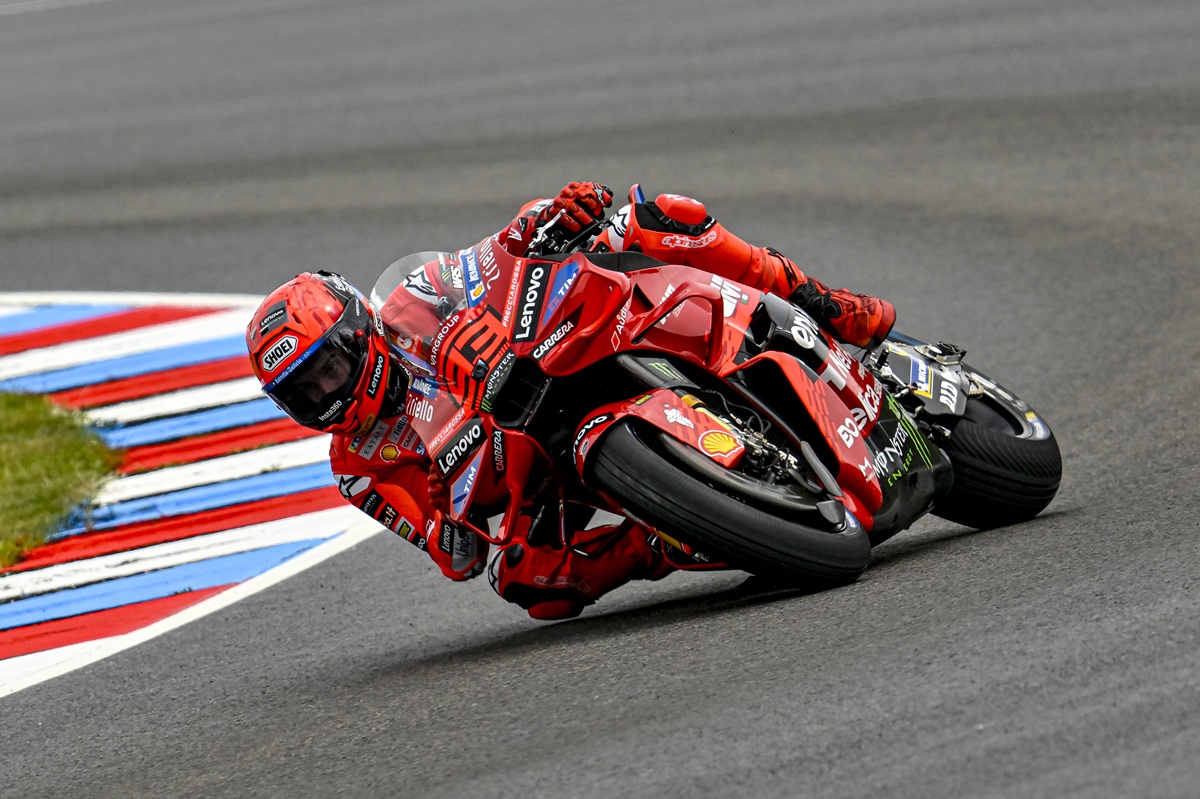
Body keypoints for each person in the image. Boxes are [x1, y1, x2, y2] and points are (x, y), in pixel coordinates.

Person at [245, 182, 896, 620]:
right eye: (305, 392)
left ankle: (822, 302)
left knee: (660, 217)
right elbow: (456, 556)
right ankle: (670, 536)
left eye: (328, 368)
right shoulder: (358, 468)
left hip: (548, 354)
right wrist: (447, 516)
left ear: (359, 330)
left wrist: (551, 219)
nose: (326, 393)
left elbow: (492, 255)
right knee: (529, 583)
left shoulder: (413, 299)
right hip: (529, 473)